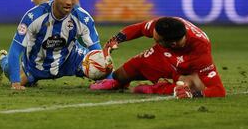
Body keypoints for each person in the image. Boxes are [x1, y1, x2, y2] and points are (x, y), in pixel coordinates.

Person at [0, 0, 101, 90]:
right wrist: (15, 83)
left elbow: (97, 51)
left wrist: (105, 74)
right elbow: (16, 50)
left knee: (101, 68)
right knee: (12, 72)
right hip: (36, 65)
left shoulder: (83, 18)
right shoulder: (34, 17)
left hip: (70, 59)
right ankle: (2, 59)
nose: (69, 2)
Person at [90, 17, 226, 99]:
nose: (153, 38)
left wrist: (194, 95)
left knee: (193, 85)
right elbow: (140, 28)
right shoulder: (163, 25)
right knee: (120, 74)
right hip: (161, 54)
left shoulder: (200, 50)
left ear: (171, 43)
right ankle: (117, 83)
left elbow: (219, 90)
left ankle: (160, 87)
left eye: (157, 40)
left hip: (186, 68)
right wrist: (115, 40)